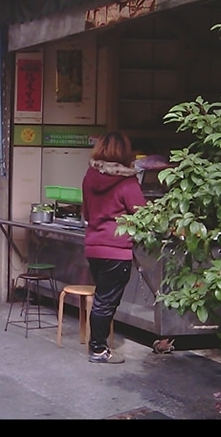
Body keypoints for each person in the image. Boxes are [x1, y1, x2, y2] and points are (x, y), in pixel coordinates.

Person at [81, 130, 146, 364]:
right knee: (105, 301)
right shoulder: (127, 182)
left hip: (94, 247)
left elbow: (87, 213)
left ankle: (98, 347)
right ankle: (98, 350)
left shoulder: (90, 176)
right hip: (116, 248)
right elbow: (143, 215)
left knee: (102, 297)